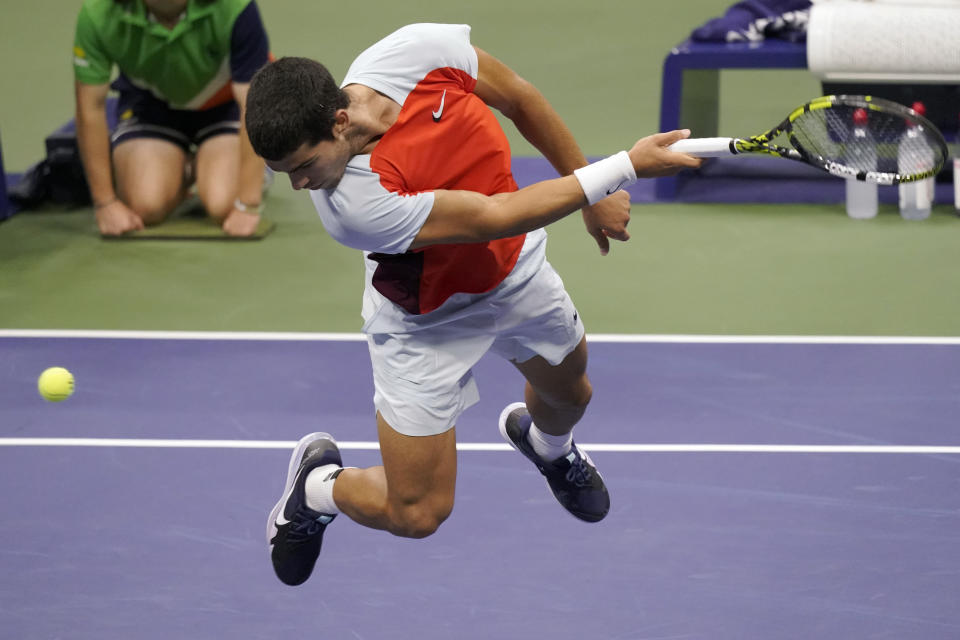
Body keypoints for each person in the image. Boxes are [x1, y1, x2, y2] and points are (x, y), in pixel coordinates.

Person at [244, 23, 701, 586]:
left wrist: (593, 193)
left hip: (514, 273)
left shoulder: (415, 54)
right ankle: (317, 489)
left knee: (571, 393)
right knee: (418, 514)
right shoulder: (350, 205)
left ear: (339, 121)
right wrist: (619, 171)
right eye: (285, 173)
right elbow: (494, 216)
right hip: (425, 323)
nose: (298, 186)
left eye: (302, 166)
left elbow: (519, 98)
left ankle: (547, 446)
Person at [72, 0, 271, 237]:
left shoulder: (235, 6)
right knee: (145, 205)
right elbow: (90, 108)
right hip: (151, 105)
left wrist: (248, 203)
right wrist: (105, 202)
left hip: (224, 104)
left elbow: (252, 103)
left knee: (225, 204)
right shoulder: (98, 11)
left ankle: (253, 164)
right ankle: (185, 168)